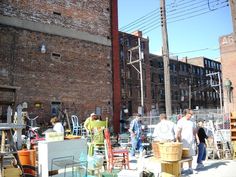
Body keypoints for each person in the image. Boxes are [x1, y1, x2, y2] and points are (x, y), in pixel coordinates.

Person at [176, 109, 196, 174]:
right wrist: (178, 140)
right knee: (182, 156)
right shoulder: (180, 121)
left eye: (191, 115)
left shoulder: (192, 122)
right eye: (190, 114)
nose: (191, 116)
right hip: (183, 141)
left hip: (191, 141)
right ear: (186, 114)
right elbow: (178, 131)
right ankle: (181, 169)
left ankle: (190, 168)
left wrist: (195, 138)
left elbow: (194, 131)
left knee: (190, 155)